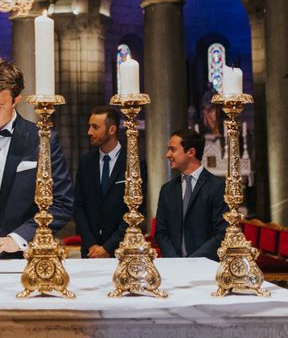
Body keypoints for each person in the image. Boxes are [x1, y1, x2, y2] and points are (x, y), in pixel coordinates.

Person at [0, 58, 73, 258]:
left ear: (15, 100)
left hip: (25, 258)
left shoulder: (42, 140)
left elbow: (61, 202)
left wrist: (17, 238)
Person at [73, 106, 146, 258]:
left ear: (112, 130)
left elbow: (137, 209)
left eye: (95, 127)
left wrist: (108, 247)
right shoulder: (86, 162)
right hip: (90, 251)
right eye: (89, 126)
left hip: (122, 249)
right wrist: (91, 244)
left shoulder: (133, 162)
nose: (89, 132)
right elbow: (78, 206)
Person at [155, 129, 228, 260]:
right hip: (174, 265)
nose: (167, 154)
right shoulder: (167, 190)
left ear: (191, 152)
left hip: (207, 265)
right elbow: (161, 232)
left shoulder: (217, 187)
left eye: (173, 149)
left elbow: (222, 233)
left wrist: (193, 261)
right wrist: (175, 260)